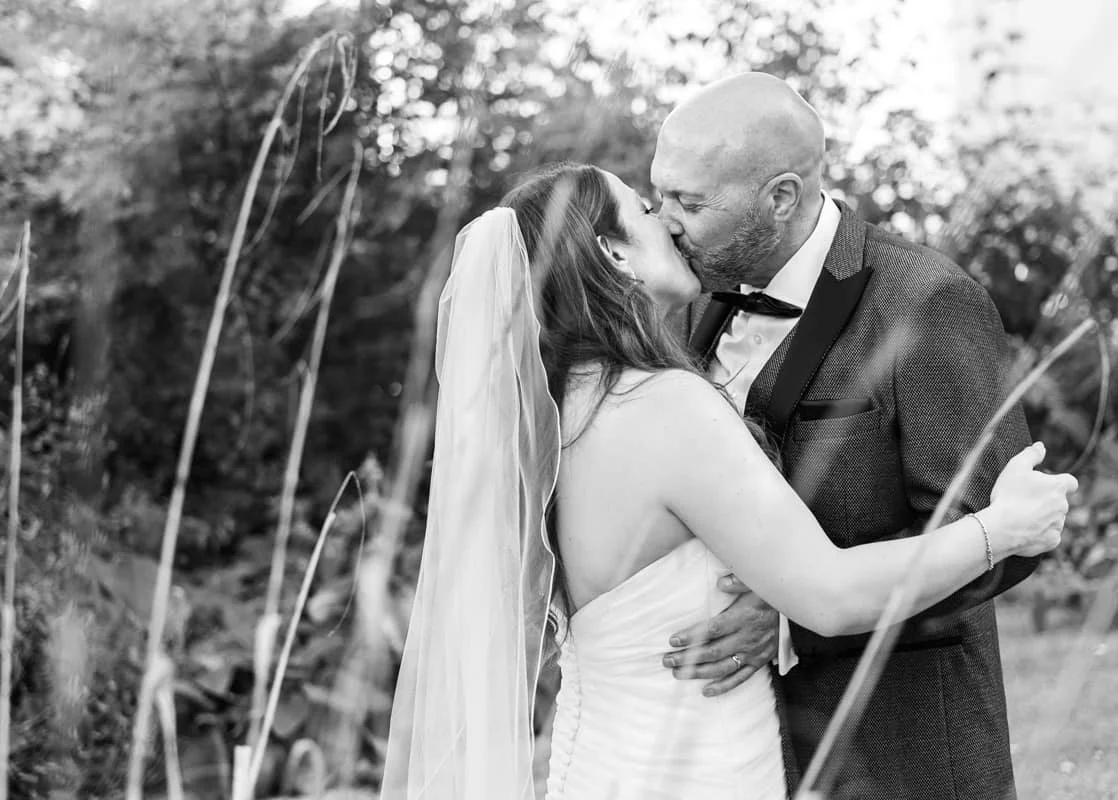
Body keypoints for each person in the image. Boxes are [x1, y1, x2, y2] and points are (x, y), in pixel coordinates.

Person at [379, 160, 1076, 800]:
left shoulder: (548, 426)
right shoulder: (661, 406)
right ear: (613, 254)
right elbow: (830, 597)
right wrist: (1000, 528)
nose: (667, 219)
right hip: (697, 771)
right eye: (645, 210)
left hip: (598, 765)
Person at [653, 72, 1041, 798]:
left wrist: (799, 619)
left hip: (899, 747)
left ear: (781, 197)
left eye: (690, 202)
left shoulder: (927, 301)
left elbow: (999, 538)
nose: (663, 219)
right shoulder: (686, 303)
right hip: (736, 749)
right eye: (660, 193)